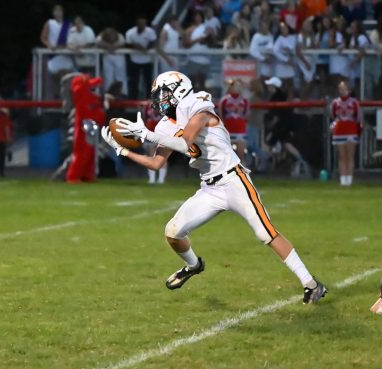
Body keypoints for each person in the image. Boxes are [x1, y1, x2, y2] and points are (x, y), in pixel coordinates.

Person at [101, 71, 327, 303]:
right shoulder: (164, 126)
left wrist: (146, 135)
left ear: (179, 89)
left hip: (234, 180)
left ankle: (311, 284)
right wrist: (123, 151)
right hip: (209, 188)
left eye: (163, 94)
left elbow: (183, 142)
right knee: (173, 232)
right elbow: (156, 164)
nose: (159, 100)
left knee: (265, 232)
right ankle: (193, 265)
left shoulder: (197, 105)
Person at [264, 77, 309, 171]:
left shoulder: (276, 97)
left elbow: (277, 115)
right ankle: (301, 160)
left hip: (280, 126)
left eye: (270, 86)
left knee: (269, 143)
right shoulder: (282, 95)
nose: (268, 88)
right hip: (285, 124)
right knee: (286, 143)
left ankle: (264, 164)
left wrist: (272, 124)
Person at [330, 81, 361, 186]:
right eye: (340, 89)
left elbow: (358, 117)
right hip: (339, 131)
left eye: (344, 89)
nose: (342, 91)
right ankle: (343, 180)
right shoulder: (335, 102)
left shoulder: (354, 102)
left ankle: (349, 179)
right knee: (342, 156)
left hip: (351, 130)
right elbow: (333, 115)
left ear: (349, 90)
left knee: (350, 156)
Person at [125, 17, 157, 99]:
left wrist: (145, 48)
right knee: (133, 81)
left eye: (143, 23)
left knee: (148, 81)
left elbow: (153, 42)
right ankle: (133, 99)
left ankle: (149, 99)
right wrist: (136, 46)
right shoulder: (130, 32)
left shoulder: (150, 32)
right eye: (140, 23)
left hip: (147, 60)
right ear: (137, 23)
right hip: (134, 60)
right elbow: (128, 44)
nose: (142, 25)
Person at [219, 79, 249, 164]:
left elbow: (246, 115)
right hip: (228, 127)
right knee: (226, 150)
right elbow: (221, 115)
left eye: (239, 86)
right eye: (234, 86)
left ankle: (243, 165)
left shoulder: (244, 100)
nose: (237, 88)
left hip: (240, 128)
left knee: (241, 149)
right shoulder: (224, 100)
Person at [142, 102, 167, 184]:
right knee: (151, 155)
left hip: (162, 132)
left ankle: (161, 179)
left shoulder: (166, 104)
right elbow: (144, 118)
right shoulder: (147, 105)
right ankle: (152, 179)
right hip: (150, 132)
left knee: (162, 155)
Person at [97, 27, 128, 95]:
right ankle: (108, 93)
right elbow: (98, 42)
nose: (111, 37)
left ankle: (122, 93)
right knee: (108, 76)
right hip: (107, 56)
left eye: (112, 36)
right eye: (109, 36)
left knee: (120, 76)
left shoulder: (120, 36)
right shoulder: (101, 36)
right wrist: (108, 46)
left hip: (119, 56)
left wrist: (113, 47)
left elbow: (122, 44)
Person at [272, 22, 297, 97]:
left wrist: (289, 49)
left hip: (291, 64)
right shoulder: (279, 39)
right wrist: (286, 59)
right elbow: (275, 51)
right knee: (282, 85)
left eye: (286, 28)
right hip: (282, 65)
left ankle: (290, 101)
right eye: (282, 29)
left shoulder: (293, 37)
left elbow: (295, 48)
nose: (284, 30)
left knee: (290, 84)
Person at [296, 17, 317, 99]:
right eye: (306, 25)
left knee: (311, 82)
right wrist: (305, 62)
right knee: (304, 82)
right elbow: (298, 51)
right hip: (303, 61)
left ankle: (306, 100)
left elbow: (315, 47)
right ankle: (302, 101)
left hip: (311, 60)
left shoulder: (313, 36)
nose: (308, 27)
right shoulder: (300, 36)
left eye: (309, 25)